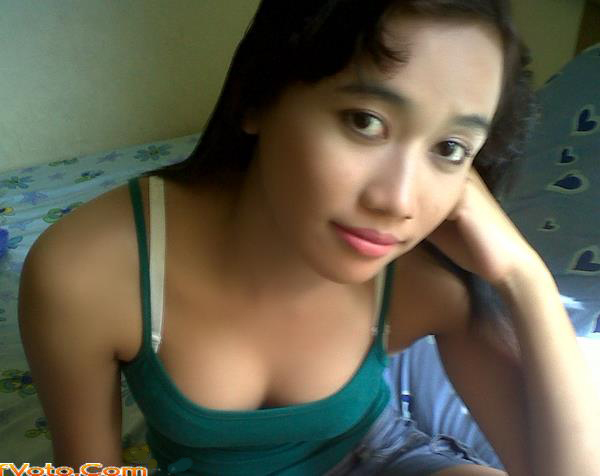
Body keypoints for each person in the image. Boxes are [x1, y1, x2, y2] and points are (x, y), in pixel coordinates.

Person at [17, 1, 600, 475]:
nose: (398, 201)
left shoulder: (421, 282)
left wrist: (524, 276)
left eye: (449, 149)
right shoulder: (88, 272)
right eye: (364, 121)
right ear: (256, 97)